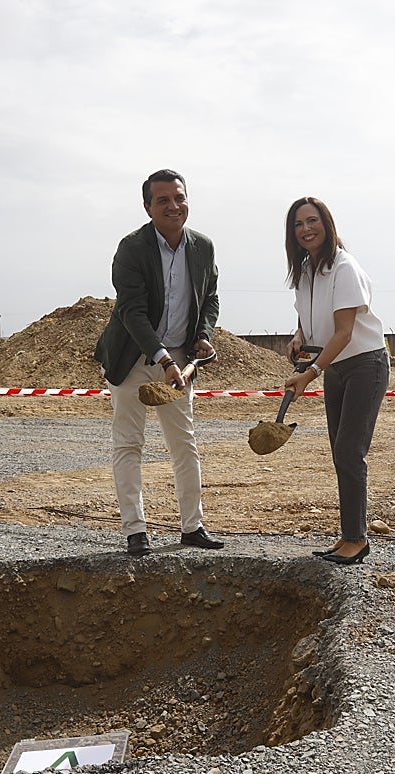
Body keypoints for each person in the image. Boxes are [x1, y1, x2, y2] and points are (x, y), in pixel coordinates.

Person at [94, 169, 225, 557]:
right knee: (129, 442)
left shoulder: (203, 247)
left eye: (179, 197)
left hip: (179, 360)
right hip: (133, 358)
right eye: (163, 200)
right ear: (147, 207)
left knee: (184, 443)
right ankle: (135, 531)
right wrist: (163, 358)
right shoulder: (131, 248)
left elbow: (210, 297)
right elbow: (132, 312)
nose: (173, 206)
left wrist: (204, 335)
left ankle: (192, 527)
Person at [282, 196, 389, 565]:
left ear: (326, 224)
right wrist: (298, 337)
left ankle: (357, 540)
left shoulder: (344, 267)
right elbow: (307, 319)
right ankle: (348, 535)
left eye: (312, 221)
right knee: (340, 453)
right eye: (298, 224)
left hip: (365, 365)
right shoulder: (304, 270)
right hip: (337, 367)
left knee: (349, 451)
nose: (306, 229)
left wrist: (310, 373)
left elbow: (344, 332)